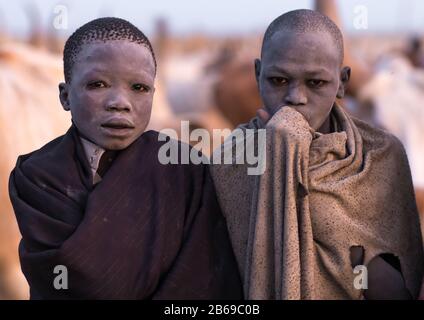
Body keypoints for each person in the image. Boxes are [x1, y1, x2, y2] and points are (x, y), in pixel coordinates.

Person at [8, 17, 243, 300]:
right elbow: (73, 280)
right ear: (65, 96)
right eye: (97, 84)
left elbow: (205, 274)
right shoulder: (37, 175)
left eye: (139, 88)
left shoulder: (186, 168)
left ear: (154, 95)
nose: (120, 102)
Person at [210, 9, 424, 300]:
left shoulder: (381, 157)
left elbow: (401, 288)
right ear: (258, 74)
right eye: (279, 81)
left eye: (316, 83)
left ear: (343, 82)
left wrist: (335, 225)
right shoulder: (229, 162)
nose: (296, 97)